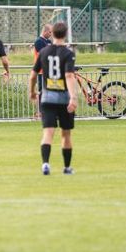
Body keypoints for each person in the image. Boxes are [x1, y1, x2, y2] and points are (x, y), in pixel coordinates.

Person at [28, 22, 78, 175]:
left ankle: (45, 164)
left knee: (48, 133)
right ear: (65, 34)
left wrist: (31, 91)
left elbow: (33, 75)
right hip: (63, 98)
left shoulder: (43, 52)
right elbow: (69, 76)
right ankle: (67, 167)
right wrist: (73, 97)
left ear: (52, 33)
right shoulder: (68, 53)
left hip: (47, 98)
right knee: (66, 133)